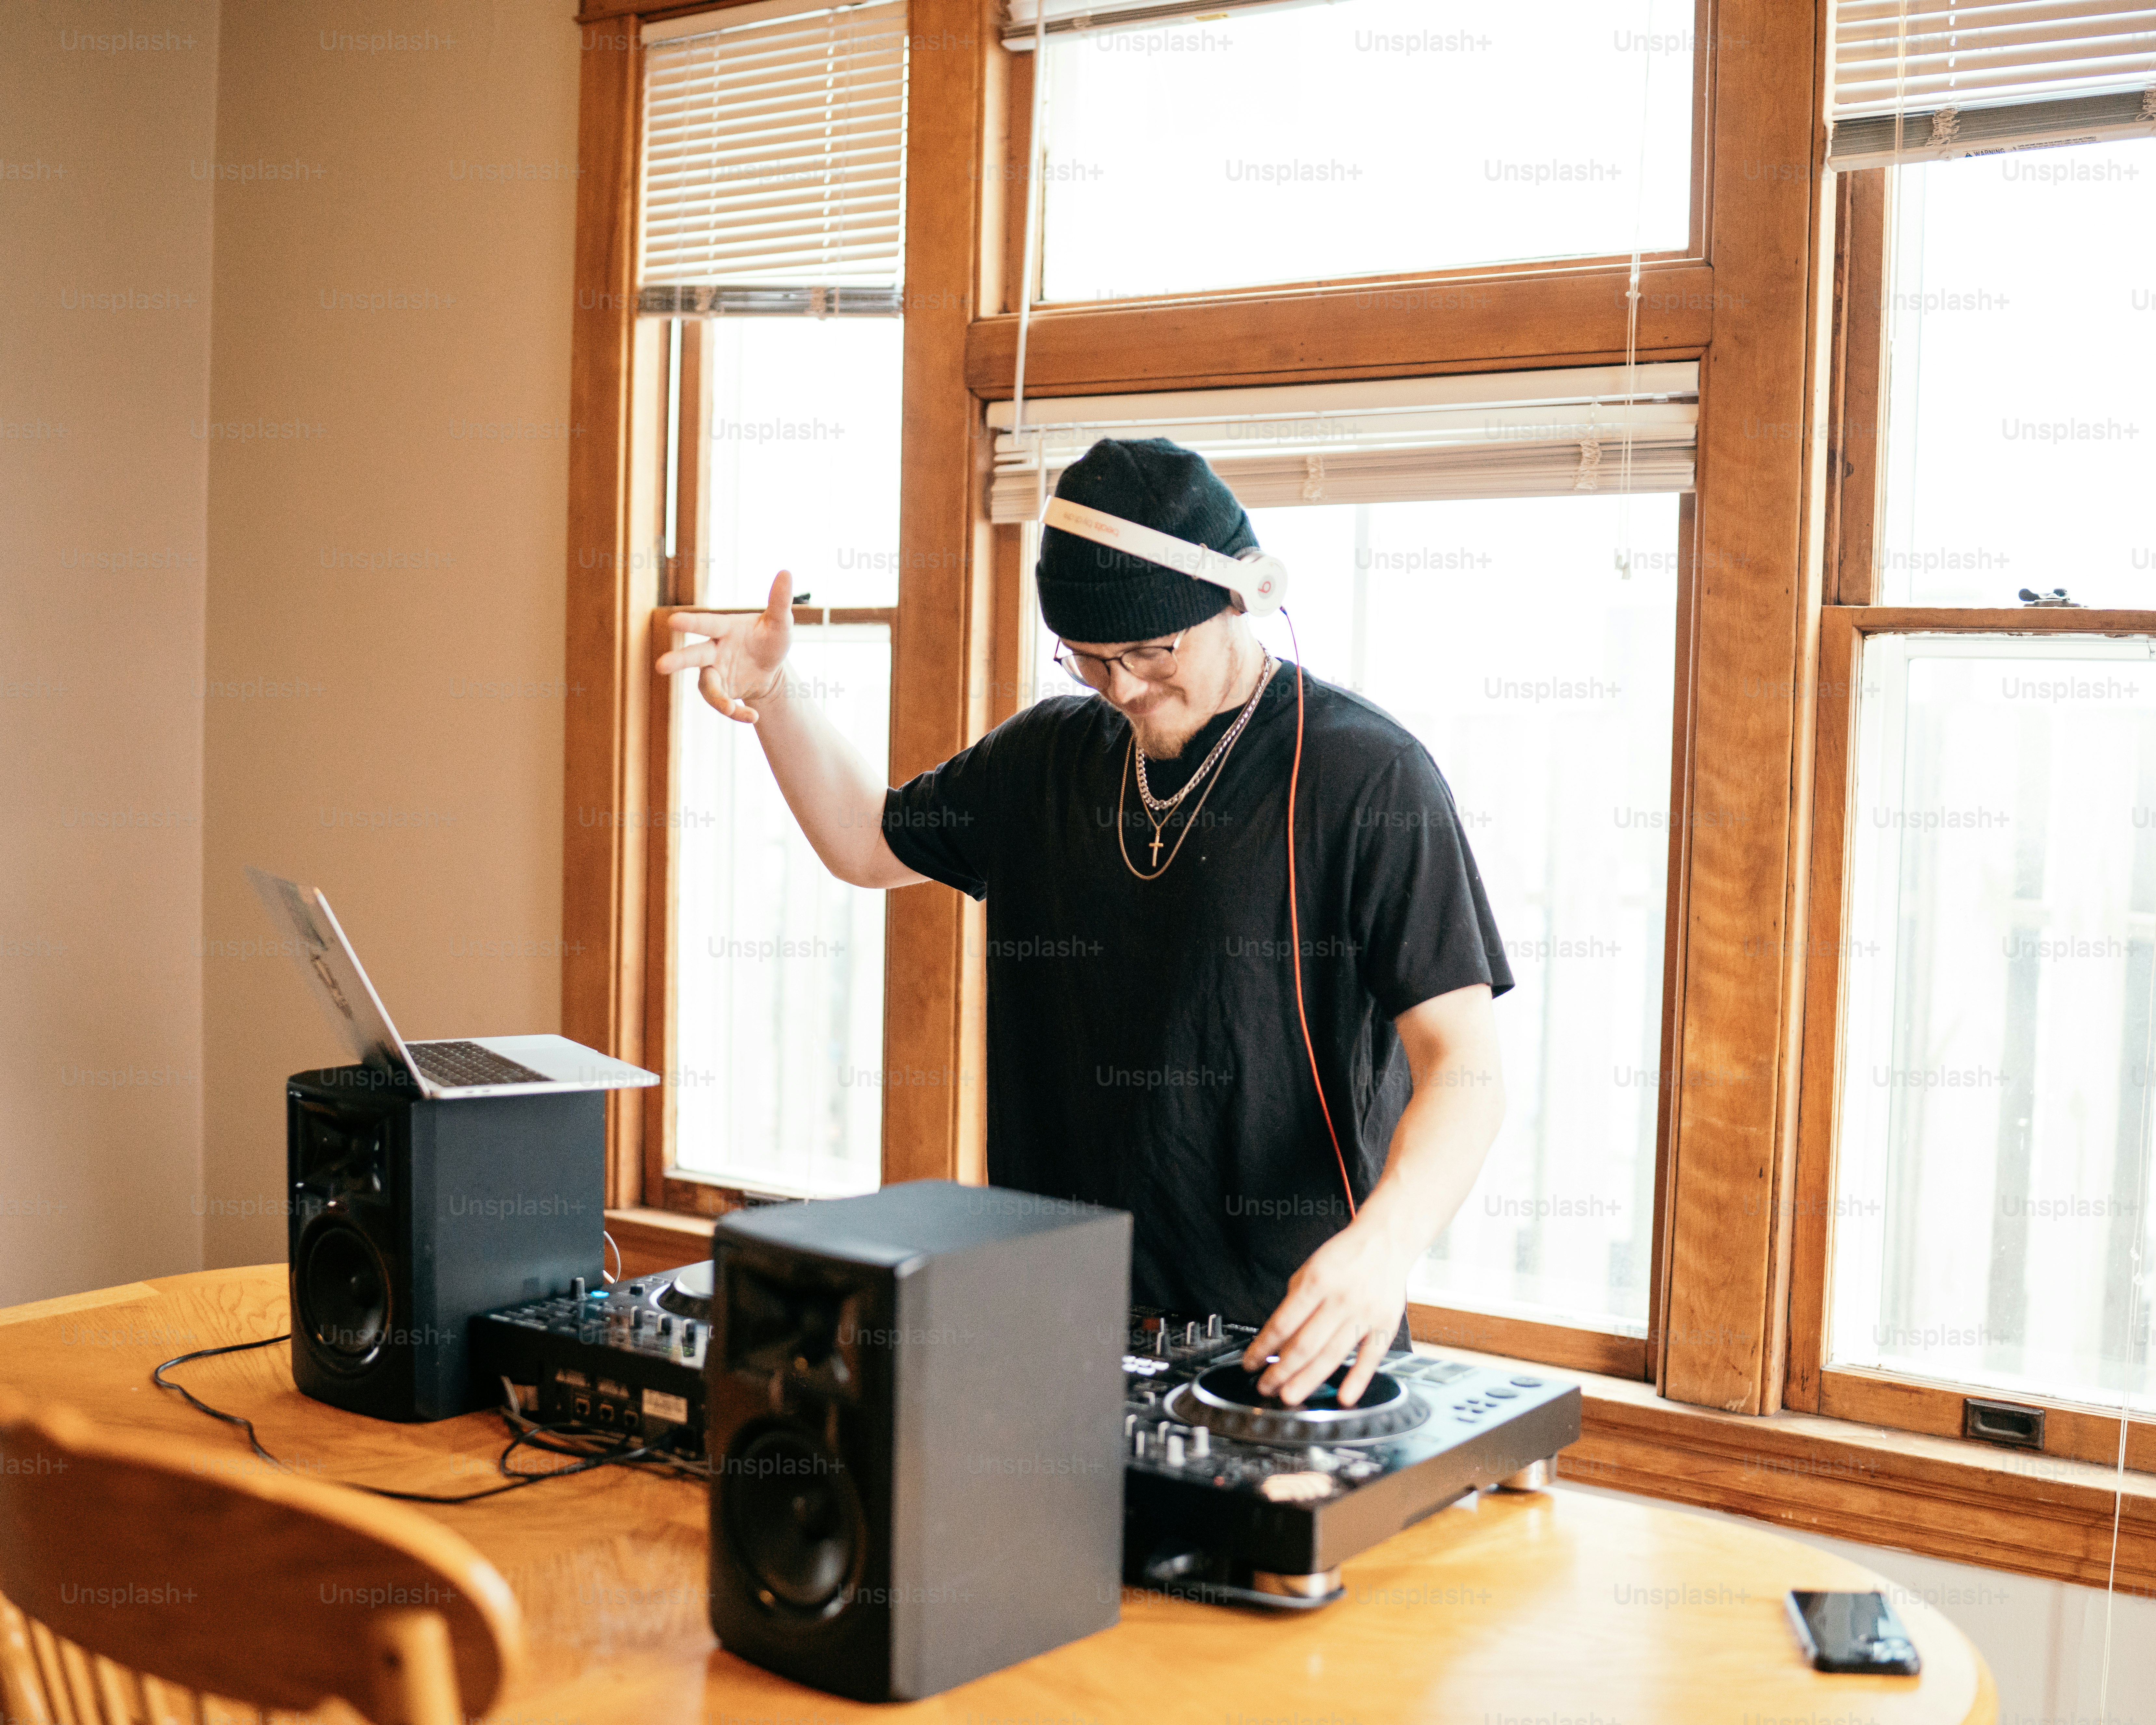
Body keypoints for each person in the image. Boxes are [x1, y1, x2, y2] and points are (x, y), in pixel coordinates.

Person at [656, 438, 1511, 1408]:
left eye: (1152, 653)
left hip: (1290, 1346)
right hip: (1057, 1327)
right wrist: (772, 692)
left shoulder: (1370, 778)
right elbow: (865, 841)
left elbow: (1466, 1068)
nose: (1126, 689)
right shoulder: (1047, 757)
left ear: (1246, 594)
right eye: (1091, 661)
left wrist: (1384, 1249)